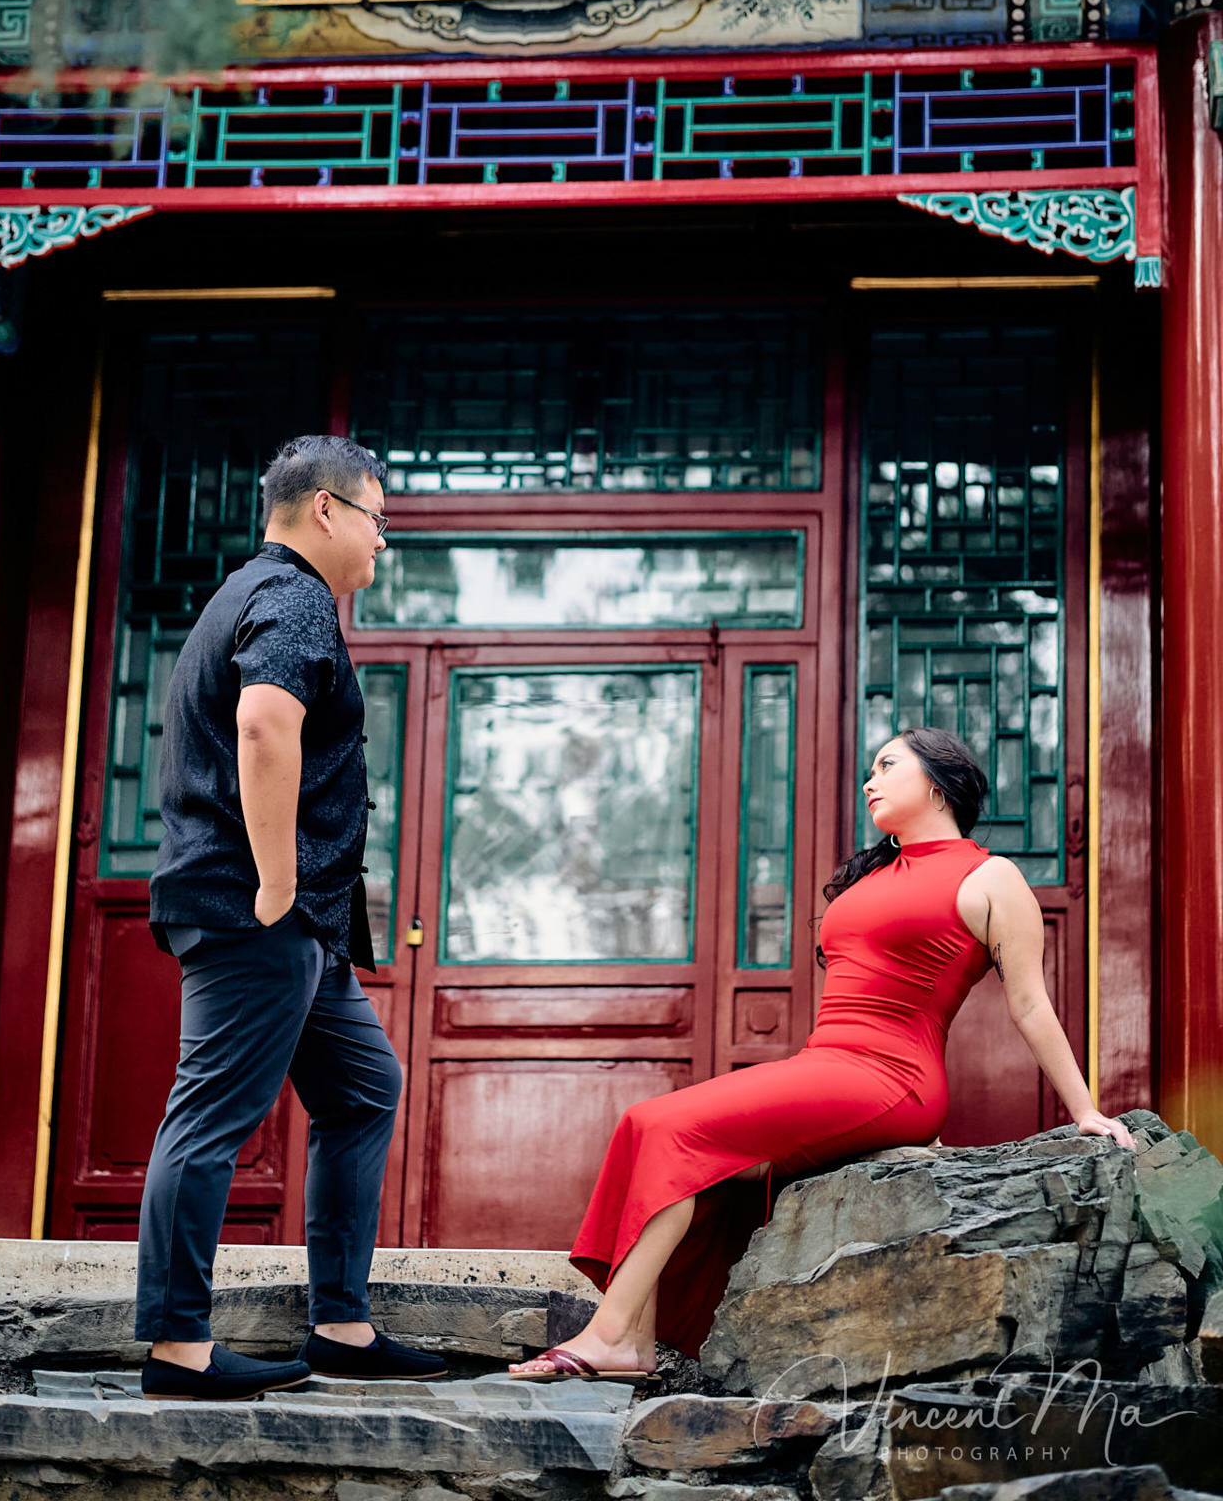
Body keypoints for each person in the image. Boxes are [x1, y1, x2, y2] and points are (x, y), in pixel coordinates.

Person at [508, 726, 1138, 1386]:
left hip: (891, 1077)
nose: (870, 780)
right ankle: (631, 1343)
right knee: (651, 1129)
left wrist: (1085, 1110)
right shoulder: (874, 873)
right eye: (870, 768)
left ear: (938, 783)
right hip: (827, 1065)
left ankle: (607, 1334)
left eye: (887, 765)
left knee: (669, 1126)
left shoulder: (991, 877)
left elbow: (1031, 1005)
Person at [135, 434, 447, 1402]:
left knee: (363, 1085)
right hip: (257, 913)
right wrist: (273, 885)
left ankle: (340, 1325)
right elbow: (265, 724)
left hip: (303, 925)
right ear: (326, 511)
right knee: (210, 1116)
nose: (381, 546)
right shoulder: (292, 597)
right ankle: (176, 1347)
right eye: (377, 522)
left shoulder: (250, 594)